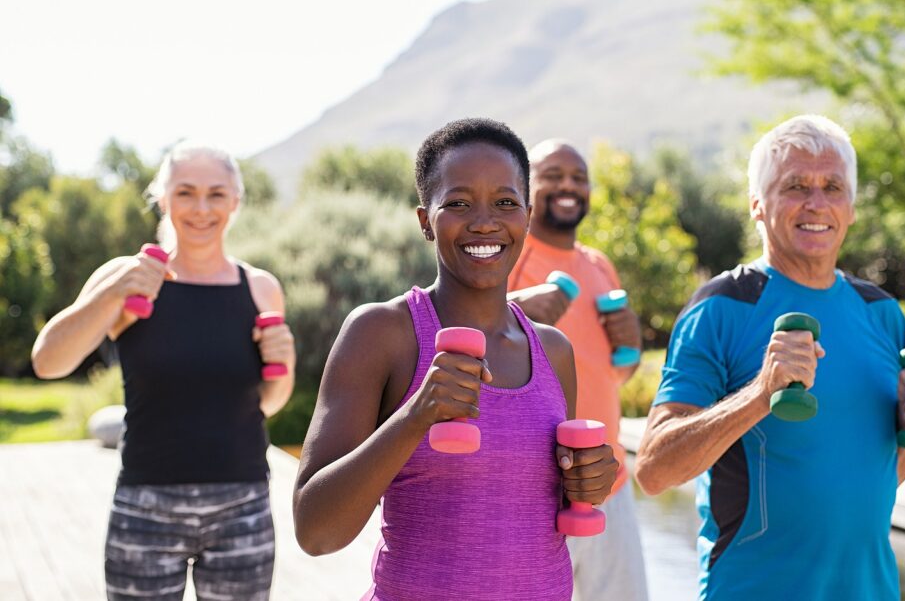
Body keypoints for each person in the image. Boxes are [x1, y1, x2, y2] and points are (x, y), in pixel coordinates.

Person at [292, 118, 619, 601]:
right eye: (459, 203)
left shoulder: (553, 350)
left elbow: (534, 510)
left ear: (527, 216)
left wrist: (591, 480)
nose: (484, 221)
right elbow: (316, 532)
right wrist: (415, 415)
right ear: (426, 221)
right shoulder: (382, 332)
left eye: (505, 203)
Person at [634, 115, 905, 600]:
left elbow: (878, 476)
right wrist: (760, 394)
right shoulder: (722, 307)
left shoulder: (883, 313)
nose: (816, 203)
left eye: (832, 187)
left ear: (850, 207)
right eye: (795, 186)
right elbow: (654, 470)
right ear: (757, 205)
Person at [32, 141, 295, 601]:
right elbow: (48, 363)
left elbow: (267, 402)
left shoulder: (260, 288)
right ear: (163, 199)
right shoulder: (126, 276)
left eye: (216, 194)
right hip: (146, 506)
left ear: (235, 202)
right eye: (185, 193)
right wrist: (111, 294)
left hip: (242, 507)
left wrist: (284, 363)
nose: (200, 208)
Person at [507, 139, 648, 601]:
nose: (569, 186)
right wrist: (514, 310)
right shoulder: (509, 257)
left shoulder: (598, 265)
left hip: (611, 484)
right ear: (528, 186)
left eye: (578, 177)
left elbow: (612, 376)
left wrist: (631, 344)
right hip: (535, 490)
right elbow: (464, 341)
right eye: (554, 175)